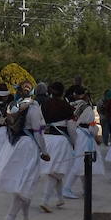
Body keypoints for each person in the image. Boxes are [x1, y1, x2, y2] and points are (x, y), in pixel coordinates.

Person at [0, 82, 51, 220]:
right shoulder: (34, 108)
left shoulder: (14, 105)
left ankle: (25, 219)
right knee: (26, 183)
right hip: (28, 146)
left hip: (14, 145)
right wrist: (44, 151)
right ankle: (10, 218)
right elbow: (37, 132)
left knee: (23, 182)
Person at [38, 81, 76, 212]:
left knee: (56, 171)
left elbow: (39, 123)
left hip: (46, 139)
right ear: (63, 92)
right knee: (56, 172)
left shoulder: (43, 105)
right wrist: (74, 142)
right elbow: (71, 128)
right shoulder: (66, 106)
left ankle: (60, 199)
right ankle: (45, 200)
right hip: (61, 141)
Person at [61, 85, 103, 199]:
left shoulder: (72, 105)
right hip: (85, 136)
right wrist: (96, 135)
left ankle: (86, 189)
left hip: (76, 133)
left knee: (82, 162)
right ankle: (67, 188)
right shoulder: (87, 108)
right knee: (81, 162)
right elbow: (91, 126)